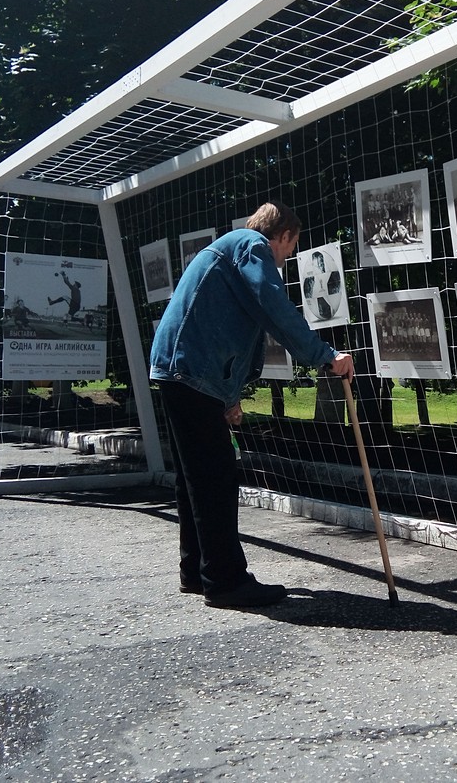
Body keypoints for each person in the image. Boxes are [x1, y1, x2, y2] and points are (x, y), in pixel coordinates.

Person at [150, 201, 355, 609]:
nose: (284, 260)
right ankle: (225, 581)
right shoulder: (252, 246)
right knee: (215, 478)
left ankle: (197, 571)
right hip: (191, 372)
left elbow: (235, 329)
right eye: (289, 250)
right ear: (282, 236)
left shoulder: (230, 249)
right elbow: (273, 306)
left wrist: (228, 398)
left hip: (182, 370)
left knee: (196, 478)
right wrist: (325, 356)